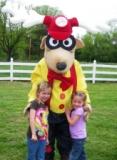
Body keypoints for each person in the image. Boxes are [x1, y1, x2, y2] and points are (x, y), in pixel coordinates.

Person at [24, 81, 51, 160]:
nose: (46, 95)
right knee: (32, 155)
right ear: (38, 93)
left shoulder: (45, 106)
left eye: (48, 93)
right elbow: (31, 119)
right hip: (34, 136)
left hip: (43, 136)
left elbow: (46, 123)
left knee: (41, 156)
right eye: (43, 93)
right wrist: (33, 134)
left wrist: (47, 137)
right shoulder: (35, 103)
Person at [65, 91, 90, 160]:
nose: (76, 104)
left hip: (78, 137)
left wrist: (67, 114)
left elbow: (72, 123)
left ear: (83, 103)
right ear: (72, 101)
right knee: (81, 154)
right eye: (74, 101)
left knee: (73, 155)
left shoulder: (79, 110)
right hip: (78, 136)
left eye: (79, 102)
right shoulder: (76, 110)